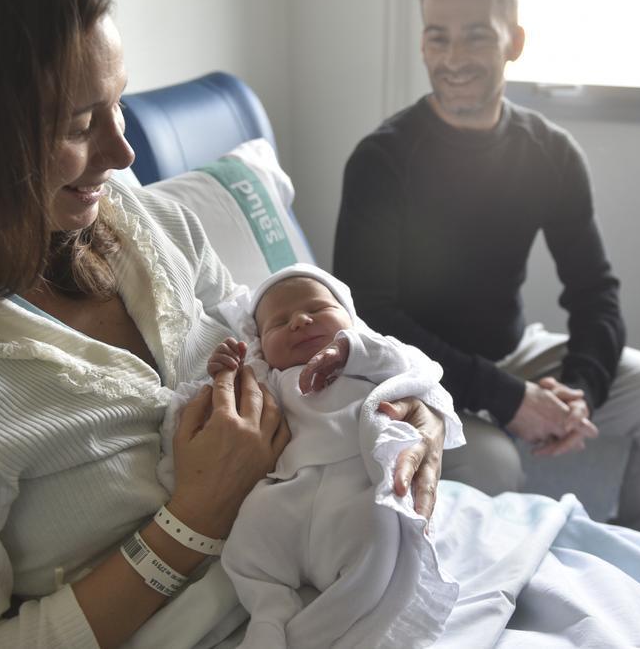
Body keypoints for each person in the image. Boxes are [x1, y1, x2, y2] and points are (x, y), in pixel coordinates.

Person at [0, 0, 446, 648]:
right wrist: (193, 519)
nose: (123, 153)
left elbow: (277, 327)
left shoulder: (141, 222)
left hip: (360, 575)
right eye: (79, 125)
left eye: (118, 104)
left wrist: (409, 409)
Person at [334, 0, 640, 533]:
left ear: (514, 41)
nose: (454, 57)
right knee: (493, 464)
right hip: (416, 373)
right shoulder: (382, 160)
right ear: (422, 44)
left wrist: (580, 390)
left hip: (516, 353)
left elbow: (594, 291)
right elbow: (371, 315)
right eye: (438, 37)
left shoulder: (551, 153)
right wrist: (509, 399)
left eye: (477, 37)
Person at [159, 264, 464, 648]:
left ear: (351, 319)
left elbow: (419, 369)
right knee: (244, 558)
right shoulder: (268, 379)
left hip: (356, 489)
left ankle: (321, 634)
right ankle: (269, 619)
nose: (300, 322)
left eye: (317, 310)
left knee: (379, 553)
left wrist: (350, 350)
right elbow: (212, 416)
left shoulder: (371, 361)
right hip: (286, 493)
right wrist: (225, 375)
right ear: (259, 343)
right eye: (278, 323)